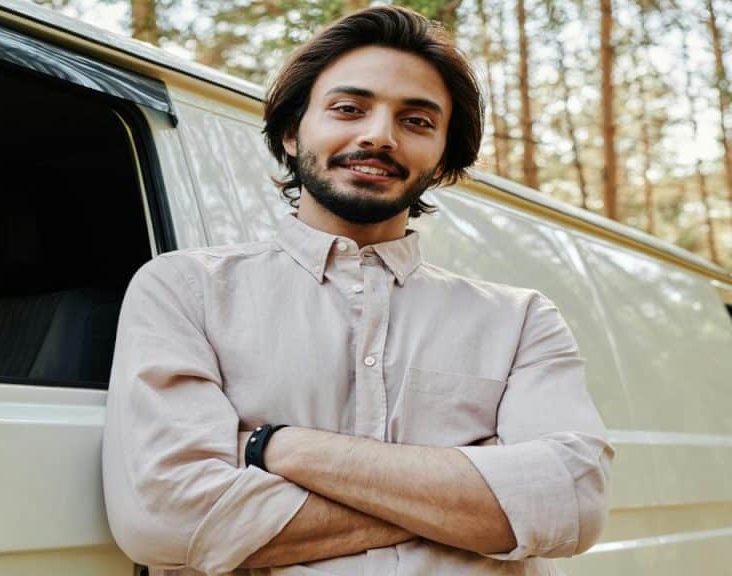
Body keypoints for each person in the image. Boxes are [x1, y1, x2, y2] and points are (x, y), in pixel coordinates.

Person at [102, 6, 613, 575]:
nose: (378, 135)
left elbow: (573, 503)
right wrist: (483, 493)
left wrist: (276, 446)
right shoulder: (186, 290)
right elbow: (169, 521)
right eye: (349, 109)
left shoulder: (521, 320)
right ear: (293, 133)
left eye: (417, 121)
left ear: (444, 159)